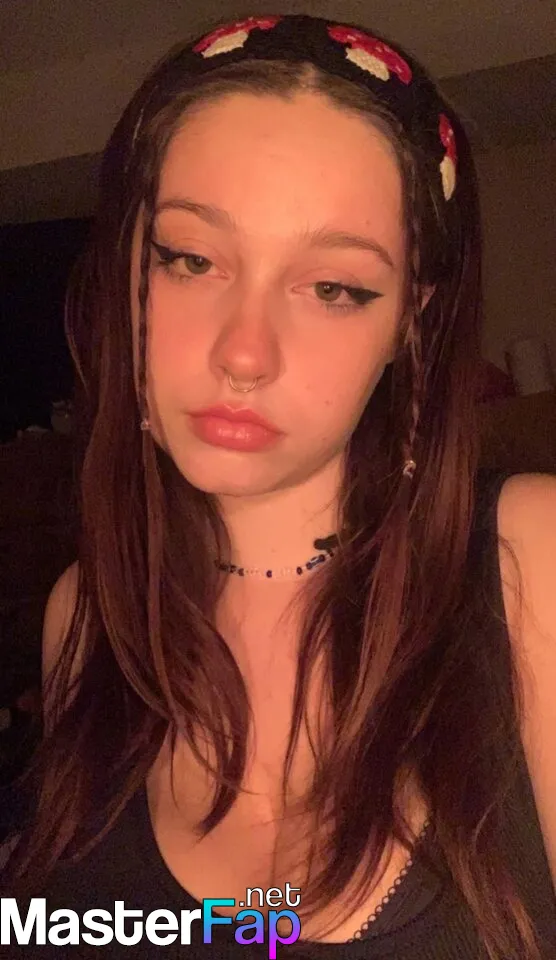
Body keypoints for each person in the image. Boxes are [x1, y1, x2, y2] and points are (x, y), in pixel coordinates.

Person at [2, 13, 555, 959]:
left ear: (410, 323)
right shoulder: (85, 619)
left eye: (333, 287)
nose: (244, 352)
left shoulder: (528, 565)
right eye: (191, 259)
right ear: (130, 278)